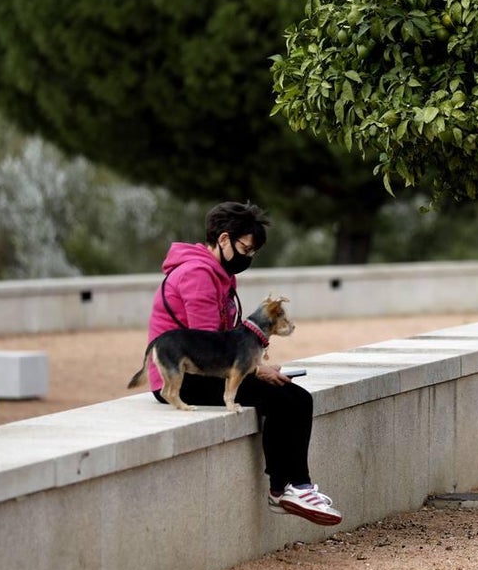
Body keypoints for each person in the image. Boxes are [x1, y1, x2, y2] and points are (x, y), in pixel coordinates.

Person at [145, 200, 342, 526]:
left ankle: (294, 488)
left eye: (252, 253)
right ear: (223, 240)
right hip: (184, 377)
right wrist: (256, 370)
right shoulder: (197, 275)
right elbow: (206, 349)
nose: (247, 258)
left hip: (206, 369)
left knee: (297, 397)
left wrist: (255, 366)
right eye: (245, 249)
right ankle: (286, 489)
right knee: (281, 399)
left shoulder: (219, 275)